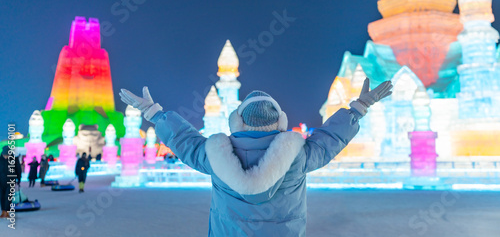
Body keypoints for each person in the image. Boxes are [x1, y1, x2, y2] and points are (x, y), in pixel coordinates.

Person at [120, 78, 392, 236]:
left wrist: (156, 114)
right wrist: (358, 107)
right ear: (281, 122)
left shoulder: (216, 156)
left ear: (237, 122)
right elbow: (331, 138)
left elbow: (184, 140)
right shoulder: (298, 156)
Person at [0, 146, 21, 218]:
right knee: (1, 197)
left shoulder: (14, 159)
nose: (5, 157)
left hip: (10, 181)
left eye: (7, 155)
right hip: (1, 182)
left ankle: (7, 212)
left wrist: (19, 179)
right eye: (4, 155)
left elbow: (18, 170)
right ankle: (3, 212)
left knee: (8, 197)